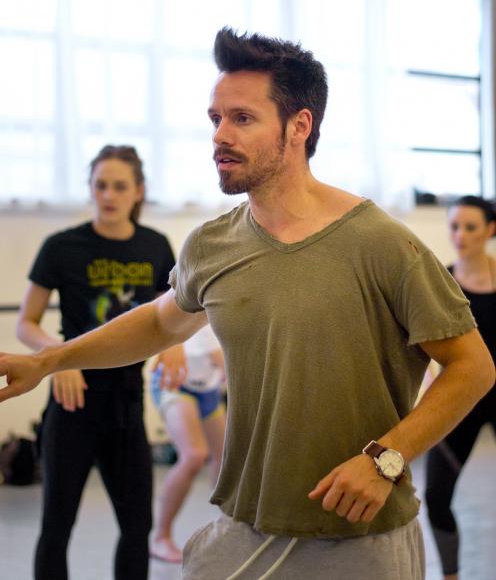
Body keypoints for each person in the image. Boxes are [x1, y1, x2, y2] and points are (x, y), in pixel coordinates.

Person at [0, 28, 494, 580]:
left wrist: (386, 459)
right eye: (215, 119)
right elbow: (161, 322)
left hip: (360, 533)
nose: (220, 136)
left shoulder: (381, 243)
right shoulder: (213, 244)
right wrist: (48, 360)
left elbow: (472, 367)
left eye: (242, 118)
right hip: (245, 525)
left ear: (299, 126)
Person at [16, 145, 176, 580]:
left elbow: (175, 315)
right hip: (72, 405)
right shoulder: (61, 247)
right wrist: (58, 359)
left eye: (119, 186)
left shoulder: (156, 247)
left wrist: (174, 345)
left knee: (137, 526)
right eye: (100, 185)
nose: (109, 195)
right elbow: (26, 323)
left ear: (138, 191)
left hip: (126, 406)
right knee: (56, 527)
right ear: (90, 189)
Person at [425, 195, 496, 580]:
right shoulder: (442, 286)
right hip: (461, 401)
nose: (460, 235)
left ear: (490, 230)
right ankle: (450, 575)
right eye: (454, 226)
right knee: (436, 497)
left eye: (470, 227)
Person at [149, 324, 226, 563]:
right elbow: (215, 351)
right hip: (175, 383)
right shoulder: (199, 299)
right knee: (194, 455)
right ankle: (160, 537)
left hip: (208, 388)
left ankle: (225, 525)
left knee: (226, 458)